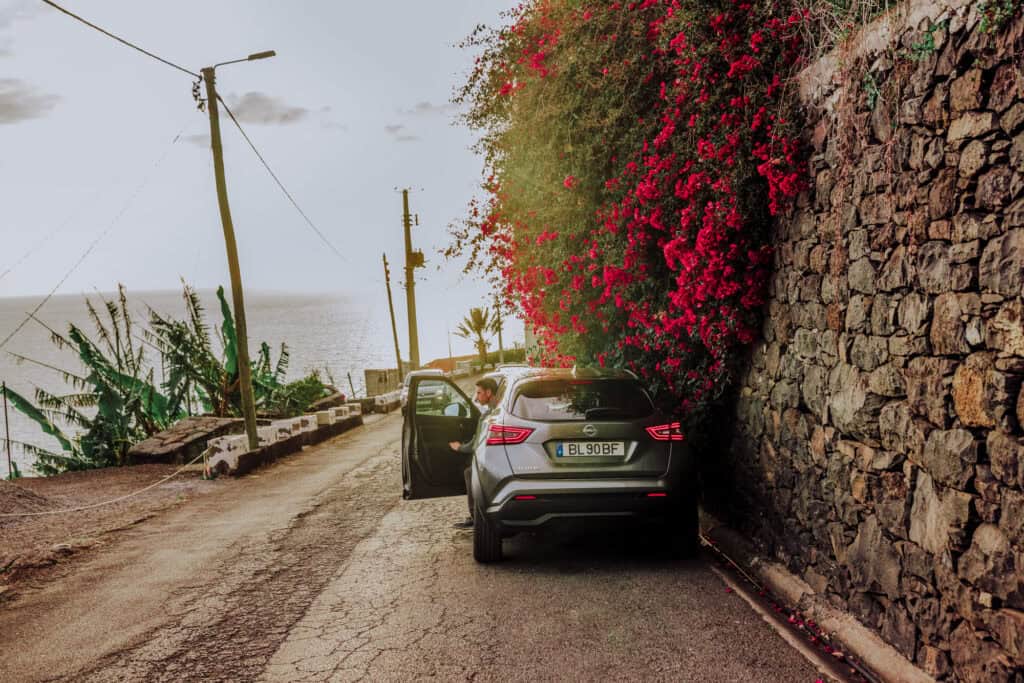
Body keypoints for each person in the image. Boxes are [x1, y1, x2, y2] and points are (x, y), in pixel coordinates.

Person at [448, 377, 499, 529]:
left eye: (479, 393)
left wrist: (460, 447)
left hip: (495, 457)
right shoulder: (496, 409)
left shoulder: (488, 415)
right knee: (470, 471)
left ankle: (475, 517)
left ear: (489, 392)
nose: (476, 398)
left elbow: (476, 443)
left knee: (470, 472)